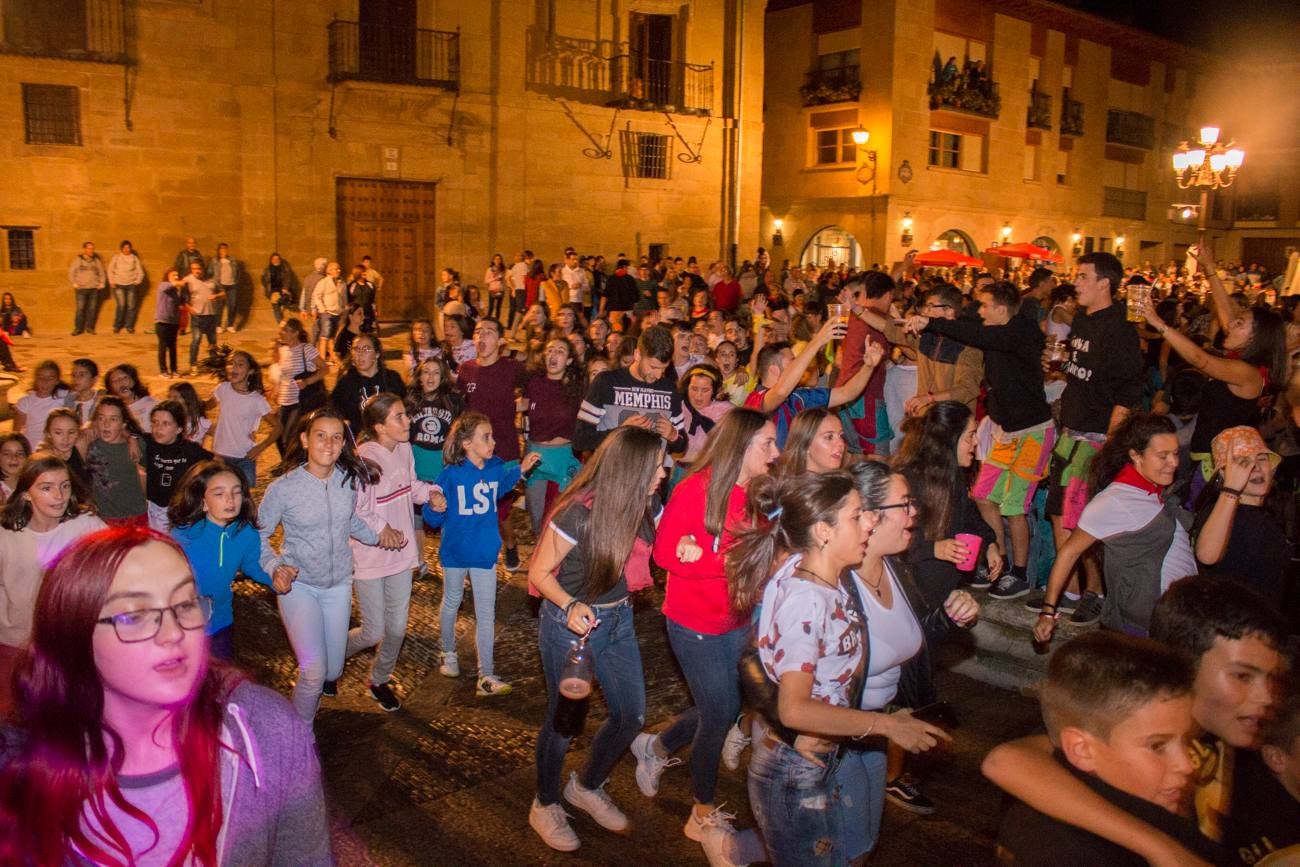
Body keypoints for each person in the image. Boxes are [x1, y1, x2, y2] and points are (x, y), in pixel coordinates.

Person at [0, 525, 331, 864]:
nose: (173, 632)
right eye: (134, 615)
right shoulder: (18, 768)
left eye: (185, 604)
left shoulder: (267, 733)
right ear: (74, 635)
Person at [726, 471, 949, 866]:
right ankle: (725, 846)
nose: (869, 523)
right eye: (857, 515)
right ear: (824, 532)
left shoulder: (817, 573)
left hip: (831, 749)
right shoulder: (807, 601)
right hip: (796, 769)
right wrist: (887, 725)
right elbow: (793, 708)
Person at [986, 576, 1288, 865]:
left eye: (1272, 678)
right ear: (1185, 660)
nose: (1266, 696)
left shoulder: (1249, 744)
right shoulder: (1115, 726)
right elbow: (1010, 761)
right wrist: (1160, 849)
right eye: (1243, 676)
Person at [635, 410, 778, 854]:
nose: (777, 453)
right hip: (693, 625)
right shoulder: (696, 490)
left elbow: (768, 551)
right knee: (718, 715)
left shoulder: (761, 494)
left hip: (737, 621)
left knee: (724, 705)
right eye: (768, 444)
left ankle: (656, 747)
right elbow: (663, 553)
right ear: (742, 446)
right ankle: (701, 812)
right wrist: (715, 561)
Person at [525, 426, 667, 852]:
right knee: (563, 724)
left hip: (619, 620)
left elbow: (671, 540)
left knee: (630, 716)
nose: (664, 472)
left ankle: (585, 786)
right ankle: (544, 802)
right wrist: (570, 605)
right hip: (571, 630)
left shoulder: (644, 502)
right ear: (633, 469)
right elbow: (537, 574)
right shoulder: (578, 513)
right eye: (657, 465)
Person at [835, 461, 980, 857]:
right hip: (837, 739)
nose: (914, 513)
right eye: (905, 504)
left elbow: (914, 640)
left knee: (863, 841)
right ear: (869, 515)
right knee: (835, 846)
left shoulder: (896, 568)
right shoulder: (835, 584)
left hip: (880, 734)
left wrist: (949, 618)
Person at [994, 631, 1220, 866]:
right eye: (1158, 746)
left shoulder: (1140, 808)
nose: (1186, 764)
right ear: (1082, 750)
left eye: (1187, 741)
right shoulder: (1064, 852)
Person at [904, 280, 1053, 598]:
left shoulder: (1019, 332)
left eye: (985, 306)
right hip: (1003, 430)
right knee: (983, 495)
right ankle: (993, 559)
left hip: (1033, 432)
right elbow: (968, 323)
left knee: (1014, 507)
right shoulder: (993, 326)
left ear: (1001, 309)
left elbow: (977, 334)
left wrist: (931, 321)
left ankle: (1020, 573)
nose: (980, 311)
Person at [257, 408, 384, 721]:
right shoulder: (283, 489)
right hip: (299, 587)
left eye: (336, 437)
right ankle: (299, 738)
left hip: (338, 584)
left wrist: (379, 535)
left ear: (343, 444)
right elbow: (256, 536)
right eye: (321, 436)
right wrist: (275, 566)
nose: (329, 444)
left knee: (333, 669)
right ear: (304, 440)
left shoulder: (346, 481)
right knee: (314, 672)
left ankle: (305, 709)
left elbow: (349, 519)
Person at [1043, 252, 1144, 627]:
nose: (1076, 283)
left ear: (1105, 283)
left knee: (1086, 521)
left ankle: (1095, 592)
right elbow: (1080, 370)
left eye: (1083, 277)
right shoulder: (1084, 319)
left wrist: (1109, 449)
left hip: (1096, 438)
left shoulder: (1120, 328)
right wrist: (1058, 366)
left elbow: (1127, 394)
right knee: (1058, 514)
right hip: (1070, 432)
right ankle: (1066, 589)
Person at [1140, 245, 1287, 502]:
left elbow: (1201, 359)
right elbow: (1227, 313)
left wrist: (1159, 324)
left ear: (1255, 338)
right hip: (1207, 458)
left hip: (1218, 468)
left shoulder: (1248, 373)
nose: (1231, 324)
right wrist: (1209, 269)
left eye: (1240, 323)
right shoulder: (1240, 358)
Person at [1034, 413, 1192, 642]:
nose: (1174, 463)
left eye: (1176, 453)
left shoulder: (1153, 487)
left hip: (1175, 618)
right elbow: (1069, 552)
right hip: (1145, 626)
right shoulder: (1114, 501)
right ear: (1136, 456)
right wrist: (1048, 612)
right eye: (1163, 456)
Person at [424, 412, 540, 697]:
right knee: (451, 602)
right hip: (455, 551)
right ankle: (448, 652)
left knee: (486, 614)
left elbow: (499, 486)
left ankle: (485, 675)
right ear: (466, 443)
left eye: (492, 436)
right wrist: (435, 506)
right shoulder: (450, 474)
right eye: (485, 437)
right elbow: (433, 517)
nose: (493, 441)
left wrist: (522, 471)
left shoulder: (495, 467)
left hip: (484, 552)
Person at [345, 393, 432, 713]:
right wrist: (382, 530)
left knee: (397, 629)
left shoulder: (406, 449)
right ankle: (328, 660)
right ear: (380, 426)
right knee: (373, 632)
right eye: (399, 417)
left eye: (405, 415)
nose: (408, 421)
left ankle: (378, 679)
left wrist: (433, 494)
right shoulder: (364, 459)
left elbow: (410, 487)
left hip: (401, 555)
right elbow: (354, 512)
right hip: (369, 559)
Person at [0, 455, 105, 709]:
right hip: (16, 641)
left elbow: (119, 557)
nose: (59, 495)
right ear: (26, 494)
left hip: (69, 640)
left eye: (65, 486)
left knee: (67, 713)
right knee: (15, 715)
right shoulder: (6, 535)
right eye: (46, 488)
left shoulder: (86, 526)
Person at [169, 460, 272, 662]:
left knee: (221, 679)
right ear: (203, 502)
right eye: (219, 493)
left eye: (236, 492)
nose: (230, 500)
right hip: (182, 627)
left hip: (220, 622)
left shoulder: (246, 533)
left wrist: (276, 578)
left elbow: (253, 564)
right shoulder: (182, 537)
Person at [457, 318, 529, 570]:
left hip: (505, 450)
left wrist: (525, 403)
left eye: (489, 332)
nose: (482, 336)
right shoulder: (466, 370)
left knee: (500, 510)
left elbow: (536, 373)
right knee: (477, 508)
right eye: (478, 332)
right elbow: (460, 407)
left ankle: (509, 544)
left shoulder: (511, 368)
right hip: (474, 453)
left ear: (499, 340)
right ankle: (478, 557)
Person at [745, 320, 884, 447]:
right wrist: (818, 340)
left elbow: (846, 393)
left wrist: (868, 367)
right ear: (774, 370)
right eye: (793, 361)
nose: (799, 365)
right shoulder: (755, 400)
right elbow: (781, 391)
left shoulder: (799, 396)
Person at [1192, 426, 1289, 607]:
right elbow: (1207, 555)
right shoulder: (1219, 512)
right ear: (1224, 473)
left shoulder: (1270, 514)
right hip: (1229, 627)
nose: (1256, 467)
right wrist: (1231, 489)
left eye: (1261, 459)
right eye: (1243, 462)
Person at [574, 324, 687, 460]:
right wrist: (620, 432)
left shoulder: (669, 389)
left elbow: (682, 444)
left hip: (653, 476)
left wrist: (673, 435)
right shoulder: (606, 382)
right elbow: (580, 440)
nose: (658, 375)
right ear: (637, 354)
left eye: (663, 369)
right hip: (612, 473)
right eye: (653, 367)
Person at [521, 338, 583, 537]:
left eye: (560, 351)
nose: (554, 355)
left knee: (564, 518)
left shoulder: (578, 387)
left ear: (569, 360)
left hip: (564, 457)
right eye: (550, 350)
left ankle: (560, 563)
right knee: (536, 519)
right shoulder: (533, 383)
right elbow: (521, 406)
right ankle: (540, 560)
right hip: (535, 455)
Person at [207, 349, 279, 487]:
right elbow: (205, 406)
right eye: (230, 363)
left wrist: (261, 447)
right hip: (220, 456)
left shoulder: (257, 400)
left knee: (244, 499)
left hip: (245, 458)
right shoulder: (222, 389)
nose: (233, 367)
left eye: (240, 364)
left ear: (250, 371)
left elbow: (278, 427)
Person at [141, 401, 211, 532]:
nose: (158, 428)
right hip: (153, 510)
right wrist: (131, 438)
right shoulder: (148, 443)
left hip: (180, 512)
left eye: (166, 424)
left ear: (179, 429)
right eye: (155, 422)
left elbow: (216, 464)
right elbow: (127, 432)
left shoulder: (190, 450)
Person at [79, 396, 147, 527]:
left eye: (113, 419)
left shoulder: (137, 445)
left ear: (123, 424)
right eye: (101, 418)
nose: (106, 424)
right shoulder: (88, 444)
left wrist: (131, 437)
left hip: (134, 517)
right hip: (101, 520)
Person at [330, 332, 404, 437]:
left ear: (377, 354)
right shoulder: (346, 382)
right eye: (356, 349)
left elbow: (404, 410)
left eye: (366, 349)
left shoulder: (391, 379)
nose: (360, 354)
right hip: (359, 442)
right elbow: (334, 412)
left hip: (389, 439)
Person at [272, 317, 324, 462]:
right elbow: (283, 375)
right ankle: (287, 464)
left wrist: (307, 381)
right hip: (284, 401)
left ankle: (293, 465)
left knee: (288, 437)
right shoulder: (282, 350)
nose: (281, 332)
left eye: (285, 330)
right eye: (281, 329)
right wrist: (276, 390)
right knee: (277, 436)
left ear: (295, 333)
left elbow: (325, 369)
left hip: (299, 401)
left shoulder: (306, 349)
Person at [774, 406, 846, 477]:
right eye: (829, 437)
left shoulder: (844, 484)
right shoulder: (788, 487)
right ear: (806, 442)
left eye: (841, 436)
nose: (841, 444)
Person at [13, 360, 69, 448]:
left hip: (55, 447)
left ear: (57, 381)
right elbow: (16, 431)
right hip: (31, 448)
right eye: (40, 377)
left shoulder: (64, 396)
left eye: (50, 378)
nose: (45, 382)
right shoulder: (26, 402)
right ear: (35, 379)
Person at [182, 260, 224, 376]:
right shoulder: (188, 280)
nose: (196, 271)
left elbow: (223, 293)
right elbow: (182, 295)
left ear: (203, 269)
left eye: (198, 268)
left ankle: (214, 365)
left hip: (211, 315)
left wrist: (216, 295)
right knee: (196, 340)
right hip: (198, 317)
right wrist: (188, 308)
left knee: (212, 342)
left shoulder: (212, 280)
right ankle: (193, 365)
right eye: (193, 268)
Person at [36, 408, 90, 491]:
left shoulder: (81, 449)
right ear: (48, 433)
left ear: (78, 433)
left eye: (71, 432)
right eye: (58, 433)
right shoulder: (43, 460)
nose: (65, 439)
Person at [105, 363, 156, 434]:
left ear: (134, 380)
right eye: (115, 381)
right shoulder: (109, 411)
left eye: (125, 377)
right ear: (110, 388)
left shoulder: (153, 405)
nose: (121, 382)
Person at [68, 240, 106, 336]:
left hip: (93, 288)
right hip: (81, 289)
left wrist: (102, 283)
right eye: (89, 248)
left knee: (92, 309)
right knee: (80, 309)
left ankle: (90, 328)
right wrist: (74, 283)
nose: (91, 250)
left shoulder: (96, 260)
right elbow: (71, 272)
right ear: (85, 249)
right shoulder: (79, 259)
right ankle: (78, 329)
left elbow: (101, 273)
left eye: (92, 248)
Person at [107, 239, 145, 334]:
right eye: (124, 247)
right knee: (121, 305)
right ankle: (117, 326)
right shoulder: (116, 257)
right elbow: (110, 269)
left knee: (131, 306)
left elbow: (140, 271)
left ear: (130, 248)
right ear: (121, 249)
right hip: (119, 284)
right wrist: (112, 281)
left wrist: (137, 281)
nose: (126, 249)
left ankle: (129, 326)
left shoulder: (134, 258)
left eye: (128, 247)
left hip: (131, 285)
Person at [311, 262, 345, 364]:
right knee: (325, 335)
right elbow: (316, 295)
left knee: (333, 336)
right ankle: (322, 358)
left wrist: (343, 308)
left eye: (339, 269)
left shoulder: (341, 283)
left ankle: (332, 357)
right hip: (327, 313)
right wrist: (322, 309)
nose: (338, 271)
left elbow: (343, 298)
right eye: (335, 269)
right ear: (329, 271)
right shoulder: (324, 282)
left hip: (337, 312)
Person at [153, 268, 184, 377]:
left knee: (172, 347)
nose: (176, 276)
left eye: (177, 275)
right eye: (173, 275)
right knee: (163, 346)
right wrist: (182, 281)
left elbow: (178, 306)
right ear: (168, 276)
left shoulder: (175, 291)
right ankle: (163, 371)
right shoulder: (163, 285)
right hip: (162, 322)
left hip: (173, 322)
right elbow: (173, 284)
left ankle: (174, 370)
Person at [261, 252, 298, 325]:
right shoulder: (267, 269)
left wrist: (285, 288)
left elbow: (288, 278)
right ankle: (280, 321)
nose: (275, 260)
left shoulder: (284, 268)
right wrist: (268, 288)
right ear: (271, 260)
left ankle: (282, 306)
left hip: (283, 289)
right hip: (272, 290)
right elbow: (263, 280)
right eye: (274, 259)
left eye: (277, 259)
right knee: (275, 303)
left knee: (281, 300)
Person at [64, 356, 103, 424]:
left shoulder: (102, 400)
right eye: (73, 375)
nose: (76, 379)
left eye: (81, 375)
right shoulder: (68, 399)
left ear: (94, 379)